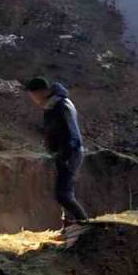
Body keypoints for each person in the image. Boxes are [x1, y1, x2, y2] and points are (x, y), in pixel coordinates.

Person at [26, 77, 90, 224]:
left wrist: (64, 156)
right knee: (64, 193)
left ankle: (84, 224)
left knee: (63, 194)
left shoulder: (60, 105)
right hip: (63, 153)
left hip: (70, 153)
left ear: (41, 91)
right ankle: (70, 226)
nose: (34, 100)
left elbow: (71, 133)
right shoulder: (53, 104)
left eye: (33, 96)